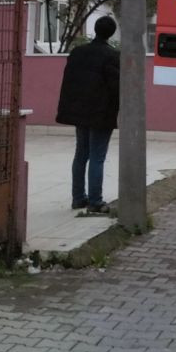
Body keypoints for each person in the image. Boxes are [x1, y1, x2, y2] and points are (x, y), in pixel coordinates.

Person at [55, 16, 120, 213]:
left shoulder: (77, 52)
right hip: (100, 114)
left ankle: (78, 198)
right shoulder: (112, 56)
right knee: (97, 156)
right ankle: (95, 201)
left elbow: (69, 82)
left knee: (81, 154)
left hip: (79, 112)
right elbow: (116, 87)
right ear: (111, 33)